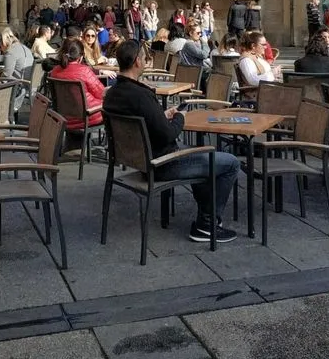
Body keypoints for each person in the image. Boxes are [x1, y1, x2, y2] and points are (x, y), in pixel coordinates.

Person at [103, 40, 240, 243]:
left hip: (139, 159)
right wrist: (179, 118)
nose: (147, 61)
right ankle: (207, 223)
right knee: (230, 163)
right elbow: (168, 134)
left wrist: (162, 115)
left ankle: (205, 219)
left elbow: (145, 121)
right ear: (137, 61)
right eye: (145, 58)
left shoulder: (112, 94)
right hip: (162, 163)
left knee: (203, 156)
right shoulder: (141, 95)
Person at [48, 39, 106, 132]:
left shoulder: (54, 71)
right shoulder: (84, 71)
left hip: (63, 116)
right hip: (88, 116)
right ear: (81, 57)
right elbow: (101, 93)